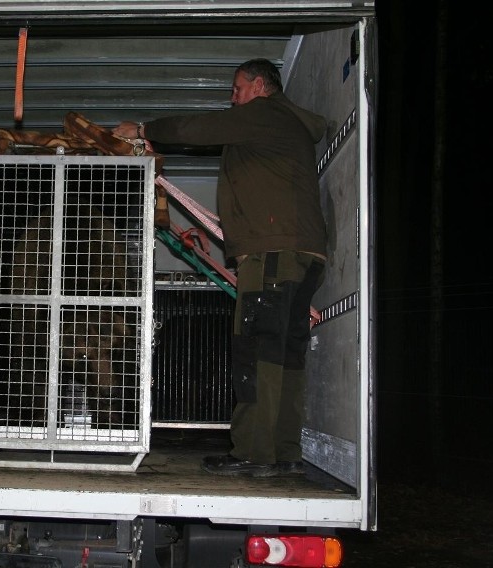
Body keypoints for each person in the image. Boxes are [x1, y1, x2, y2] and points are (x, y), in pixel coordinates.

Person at [113, 58, 328, 477]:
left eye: (237, 88)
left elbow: (198, 130)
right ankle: (284, 451)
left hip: (272, 255)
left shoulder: (264, 114)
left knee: (256, 350)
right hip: (304, 254)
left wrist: (142, 130)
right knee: (285, 355)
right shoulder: (287, 126)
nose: (233, 98)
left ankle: (253, 452)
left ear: (260, 86)